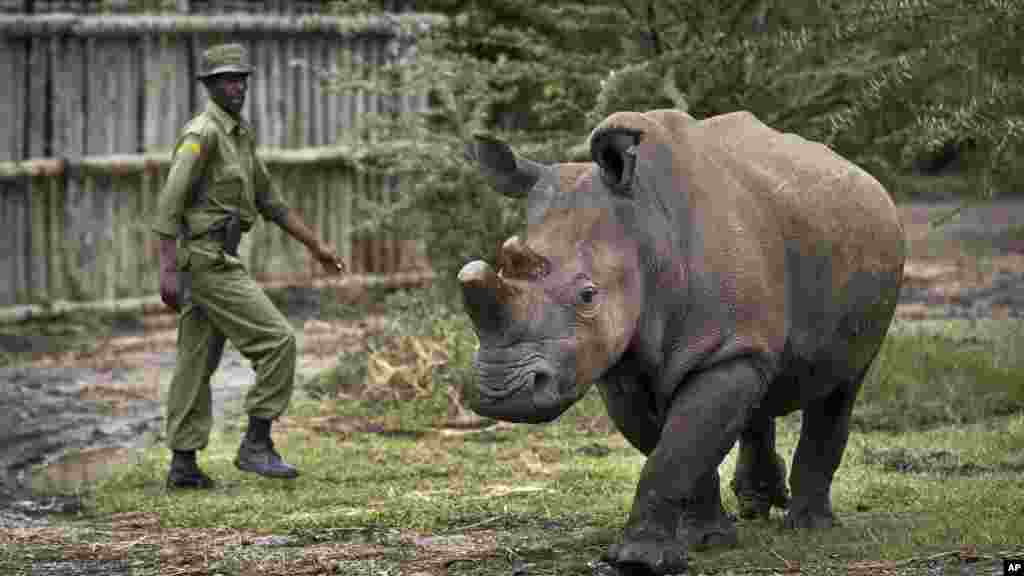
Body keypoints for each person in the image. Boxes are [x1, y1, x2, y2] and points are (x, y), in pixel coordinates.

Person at [152, 43, 347, 489]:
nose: (236, 86)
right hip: (205, 262)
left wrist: (317, 246)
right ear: (209, 86)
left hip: (219, 256)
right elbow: (169, 202)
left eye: (241, 78)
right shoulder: (202, 135)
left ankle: (183, 466)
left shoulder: (239, 135)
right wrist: (166, 270)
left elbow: (270, 201)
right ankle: (256, 444)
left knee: (195, 362)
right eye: (225, 79)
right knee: (277, 341)